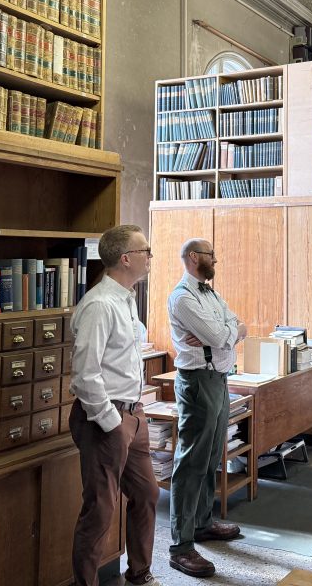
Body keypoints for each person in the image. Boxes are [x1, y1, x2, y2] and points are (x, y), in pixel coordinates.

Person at [69, 225, 162, 586]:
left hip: (132, 415)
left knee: (147, 493)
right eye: (145, 250)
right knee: (100, 510)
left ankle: (140, 573)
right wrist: (113, 422)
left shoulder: (126, 298)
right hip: (104, 419)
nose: (150, 256)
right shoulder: (99, 305)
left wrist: (133, 417)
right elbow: (85, 375)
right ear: (126, 258)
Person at [167, 239, 247, 578]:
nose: (217, 258)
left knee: (213, 454)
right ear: (194, 258)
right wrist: (224, 334)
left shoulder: (211, 295)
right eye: (212, 254)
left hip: (219, 379)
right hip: (197, 382)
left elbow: (237, 326)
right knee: (191, 461)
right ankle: (180, 546)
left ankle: (201, 523)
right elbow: (219, 334)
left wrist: (225, 333)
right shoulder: (183, 297)